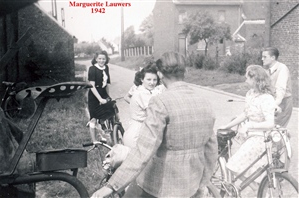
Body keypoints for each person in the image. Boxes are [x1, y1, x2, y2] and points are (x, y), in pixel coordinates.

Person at [91, 52, 218, 198]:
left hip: (159, 186)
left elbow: (143, 151)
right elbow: (211, 150)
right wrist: (202, 183)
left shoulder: (160, 102)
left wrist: (111, 186)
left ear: (160, 74)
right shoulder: (204, 102)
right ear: (185, 72)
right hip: (191, 185)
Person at [219, 65, 275, 186]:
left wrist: (250, 126)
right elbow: (246, 114)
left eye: (247, 78)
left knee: (233, 164)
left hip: (261, 137)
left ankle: (256, 186)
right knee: (244, 166)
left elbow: (270, 123)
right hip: (250, 136)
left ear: (255, 79)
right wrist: (228, 126)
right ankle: (255, 186)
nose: (245, 81)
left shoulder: (267, 98)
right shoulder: (250, 93)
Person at [122, 64, 161, 148]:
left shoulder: (142, 90)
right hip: (138, 134)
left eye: (155, 80)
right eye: (149, 79)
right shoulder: (143, 94)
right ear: (142, 79)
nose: (152, 83)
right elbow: (155, 114)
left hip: (136, 130)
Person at [87, 51, 114, 143]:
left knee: (111, 108)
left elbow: (107, 84)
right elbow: (92, 86)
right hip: (94, 94)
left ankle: (102, 125)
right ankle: (94, 141)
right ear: (96, 59)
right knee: (93, 118)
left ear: (106, 60)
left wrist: (108, 96)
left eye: (103, 59)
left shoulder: (106, 68)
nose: (101, 61)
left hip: (103, 92)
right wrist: (100, 99)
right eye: (99, 59)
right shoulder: (92, 69)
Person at [261, 47, 292, 127]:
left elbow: (280, 89)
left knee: (278, 131)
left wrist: (274, 105)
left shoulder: (282, 68)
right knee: (268, 129)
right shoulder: (267, 70)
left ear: (273, 58)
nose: (262, 59)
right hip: (272, 102)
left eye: (265, 57)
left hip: (282, 103)